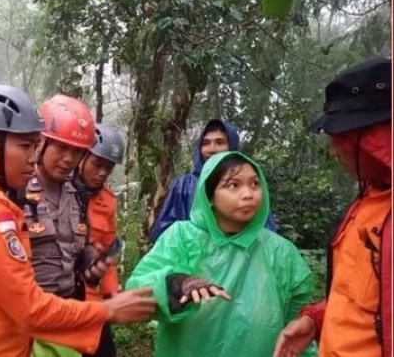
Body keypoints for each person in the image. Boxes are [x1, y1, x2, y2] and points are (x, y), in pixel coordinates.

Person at [0, 84, 156, 357]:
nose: (33, 158)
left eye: (35, 145)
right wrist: (108, 310)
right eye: (25, 146)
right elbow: (29, 309)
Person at [126, 151, 317, 357]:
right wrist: (178, 284)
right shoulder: (182, 237)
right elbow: (138, 288)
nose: (248, 194)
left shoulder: (280, 252)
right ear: (209, 197)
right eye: (234, 185)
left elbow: (298, 325)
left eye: (255, 184)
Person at [273, 57, 391, 357]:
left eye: (341, 138)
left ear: (375, 139)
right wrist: (316, 320)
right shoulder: (366, 204)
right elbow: (365, 301)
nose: (334, 150)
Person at [22, 94, 118, 357]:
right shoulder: (19, 190)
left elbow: (79, 248)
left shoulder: (76, 195)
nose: (68, 158)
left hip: (68, 312)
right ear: (42, 143)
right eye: (61, 148)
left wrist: (90, 261)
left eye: (76, 151)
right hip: (29, 319)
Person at [150, 118, 278, 243]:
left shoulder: (248, 181)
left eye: (220, 142)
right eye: (205, 143)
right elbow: (165, 232)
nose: (211, 149)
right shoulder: (184, 184)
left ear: (231, 146)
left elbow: (264, 230)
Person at [76, 124, 126, 357]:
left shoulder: (107, 201)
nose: (103, 173)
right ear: (81, 157)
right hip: (63, 296)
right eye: (97, 164)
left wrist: (112, 293)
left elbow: (109, 250)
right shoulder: (58, 191)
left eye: (108, 168)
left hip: (94, 298)